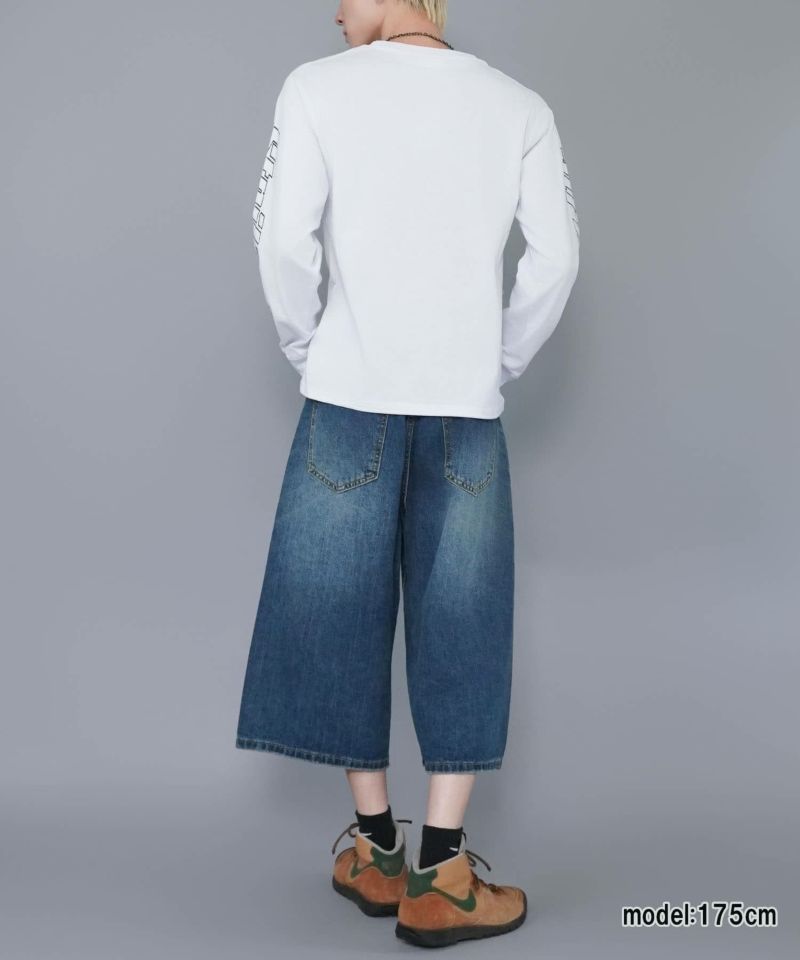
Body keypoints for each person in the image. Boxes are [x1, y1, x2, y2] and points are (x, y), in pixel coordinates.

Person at [236, 0, 579, 947]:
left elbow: (281, 243)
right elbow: (556, 262)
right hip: (466, 408)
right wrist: (495, 361)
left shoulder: (316, 89)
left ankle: (376, 846)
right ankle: (443, 871)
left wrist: (312, 351)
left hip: (347, 399)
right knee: (462, 620)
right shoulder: (519, 106)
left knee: (338, 609)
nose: (334, 10)